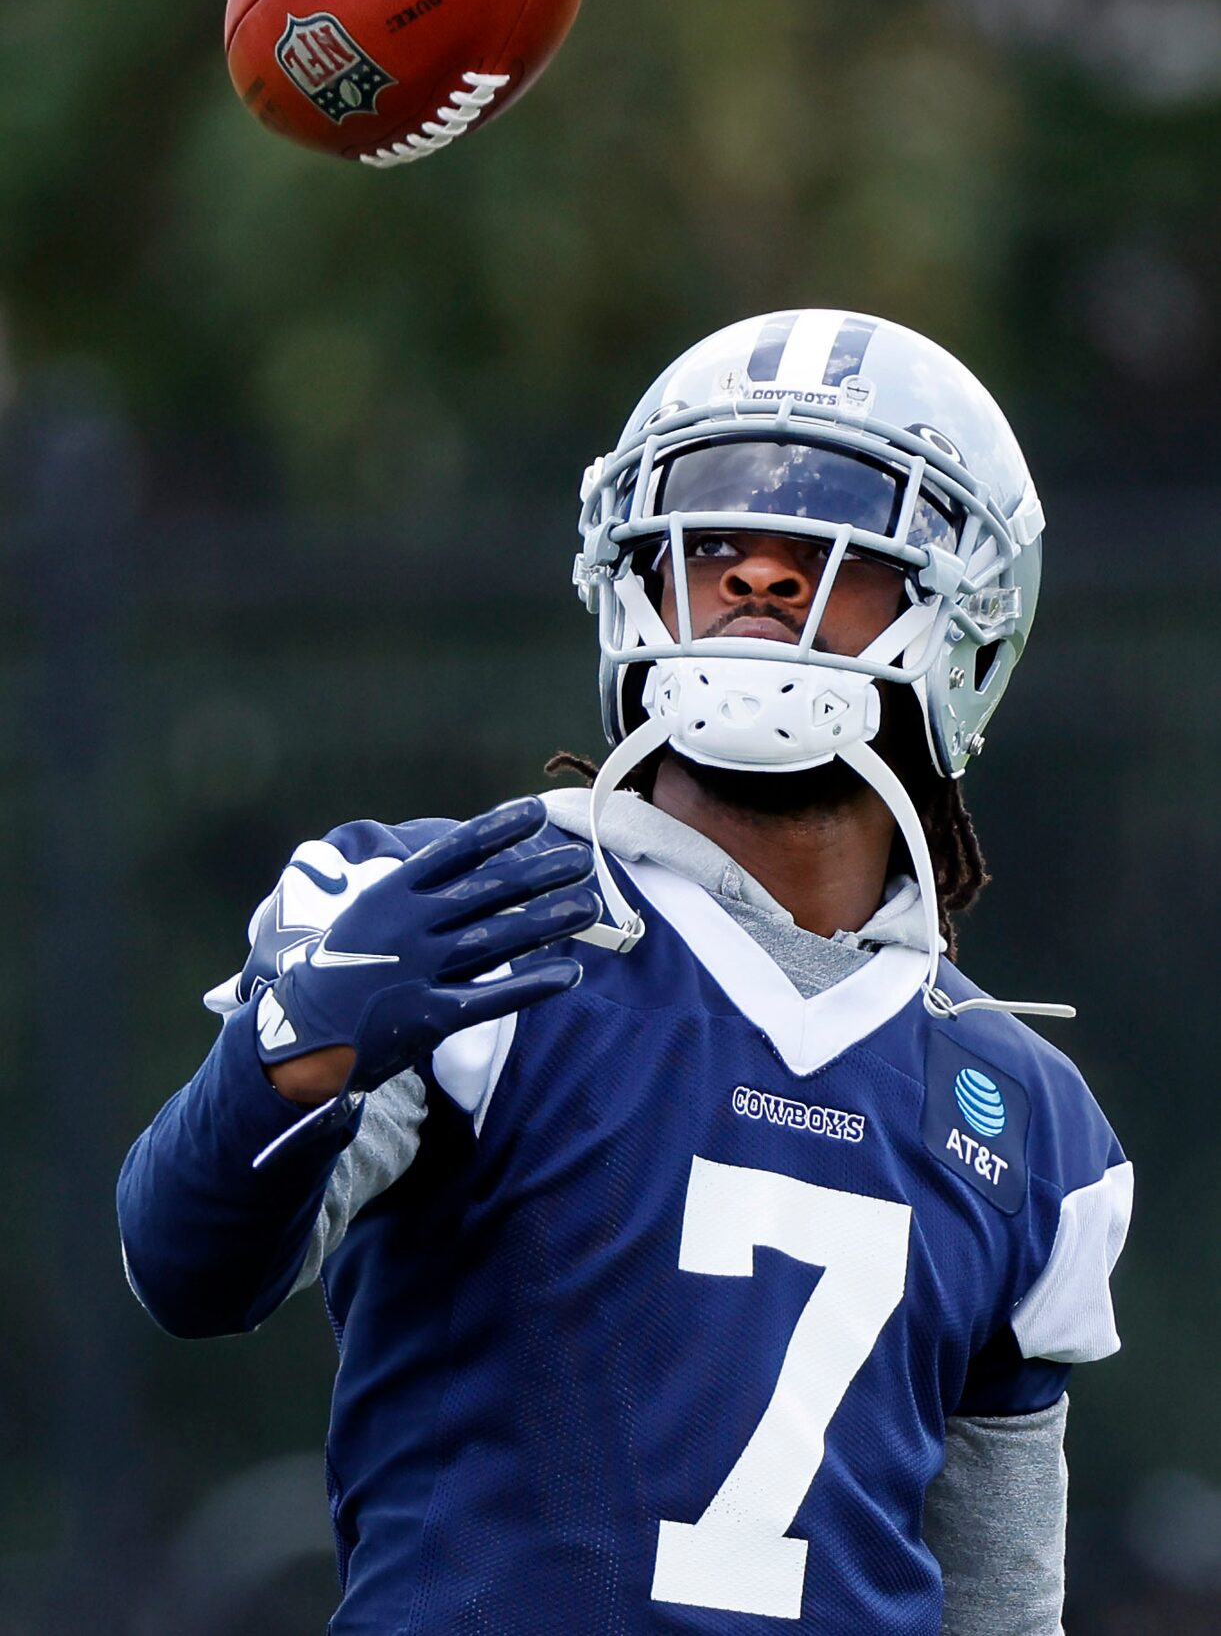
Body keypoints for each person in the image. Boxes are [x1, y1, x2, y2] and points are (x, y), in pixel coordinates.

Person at [118, 308, 1132, 1635]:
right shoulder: (464, 912)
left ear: (962, 612)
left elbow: (1000, 1607)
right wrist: (288, 1050)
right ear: (631, 567)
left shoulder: (1021, 1111)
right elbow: (185, 1271)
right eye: (715, 535)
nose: (760, 573)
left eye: (828, 533)